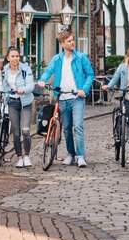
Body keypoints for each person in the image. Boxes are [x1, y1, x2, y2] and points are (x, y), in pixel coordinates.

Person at [38, 28, 94, 168]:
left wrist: (84, 89)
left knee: (78, 127)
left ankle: (80, 156)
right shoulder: (57, 59)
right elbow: (48, 72)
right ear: (62, 44)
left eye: (72, 40)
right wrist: (42, 80)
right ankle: (71, 154)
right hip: (62, 97)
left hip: (77, 98)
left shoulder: (81, 58)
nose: (72, 42)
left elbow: (90, 74)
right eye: (69, 41)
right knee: (67, 128)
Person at [0, 47, 35, 168]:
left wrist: (23, 90)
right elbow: (4, 87)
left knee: (25, 130)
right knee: (15, 132)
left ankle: (27, 156)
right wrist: (5, 99)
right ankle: (19, 157)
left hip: (25, 102)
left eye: (17, 56)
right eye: (13, 56)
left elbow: (31, 86)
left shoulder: (25, 69)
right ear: (8, 58)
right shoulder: (5, 70)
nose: (15, 58)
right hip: (12, 103)